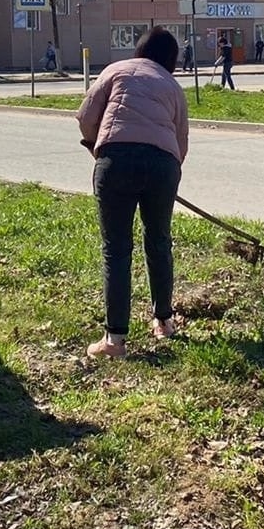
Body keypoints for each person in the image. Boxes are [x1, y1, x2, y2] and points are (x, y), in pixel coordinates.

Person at [77, 27, 189, 360]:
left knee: (116, 247)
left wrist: (100, 147)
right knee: (158, 240)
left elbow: (85, 118)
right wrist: (165, 172)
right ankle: (164, 322)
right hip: (163, 165)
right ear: (171, 61)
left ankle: (114, 341)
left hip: (116, 160)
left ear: (138, 50)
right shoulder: (173, 87)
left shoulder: (115, 70)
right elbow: (181, 143)